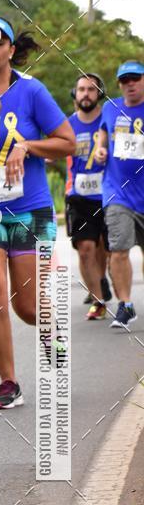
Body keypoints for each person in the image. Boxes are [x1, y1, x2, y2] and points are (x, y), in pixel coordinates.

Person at [0, 15, 76, 409]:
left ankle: (52, 337)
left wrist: (29, 146)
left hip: (30, 210)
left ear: (11, 50)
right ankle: (8, 382)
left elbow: (68, 143)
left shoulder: (32, 92)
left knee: (26, 305)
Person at [94, 60, 144, 329]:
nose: (130, 84)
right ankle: (125, 305)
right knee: (119, 249)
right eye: (125, 80)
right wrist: (101, 150)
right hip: (117, 193)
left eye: (135, 78)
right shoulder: (110, 108)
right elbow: (102, 136)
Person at [65, 73, 111, 320]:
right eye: (81, 89)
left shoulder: (111, 119)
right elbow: (55, 147)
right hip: (78, 196)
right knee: (85, 248)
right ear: (75, 94)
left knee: (105, 246)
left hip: (110, 193)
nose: (86, 94)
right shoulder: (67, 124)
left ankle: (102, 279)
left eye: (91, 90)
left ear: (99, 94)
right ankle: (98, 300)